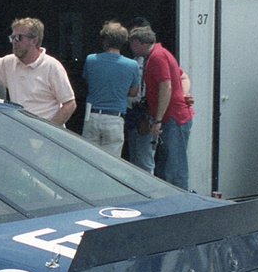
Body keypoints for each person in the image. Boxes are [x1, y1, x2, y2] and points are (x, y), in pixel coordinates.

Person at [0, 17, 76, 126]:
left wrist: (49, 130)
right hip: (22, 131)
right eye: (12, 37)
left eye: (19, 38)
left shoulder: (52, 66)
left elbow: (69, 104)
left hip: (46, 133)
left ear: (34, 41)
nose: (14, 42)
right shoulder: (9, 62)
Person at [128, 25, 193, 190]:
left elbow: (166, 86)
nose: (131, 48)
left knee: (174, 165)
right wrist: (184, 94)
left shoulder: (157, 57)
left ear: (139, 43)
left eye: (132, 44)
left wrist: (157, 120)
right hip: (172, 116)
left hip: (173, 117)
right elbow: (181, 76)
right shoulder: (159, 54)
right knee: (165, 164)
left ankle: (180, 205)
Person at [81, 21, 140, 156]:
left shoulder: (91, 60)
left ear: (105, 40)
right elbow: (134, 91)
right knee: (112, 163)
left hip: (93, 115)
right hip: (115, 117)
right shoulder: (132, 65)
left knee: (89, 159)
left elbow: (88, 82)